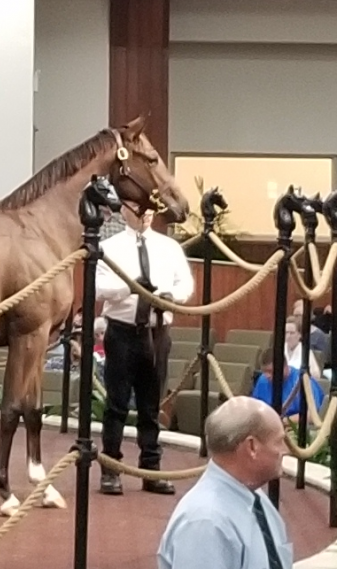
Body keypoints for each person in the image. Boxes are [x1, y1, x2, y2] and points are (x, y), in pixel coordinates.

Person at [95, 210, 196, 496]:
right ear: (125, 210)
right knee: (116, 405)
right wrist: (131, 285)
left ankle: (150, 469)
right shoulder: (110, 246)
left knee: (151, 406)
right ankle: (111, 469)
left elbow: (185, 284)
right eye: (139, 210)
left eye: (150, 210)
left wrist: (170, 297)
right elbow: (99, 286)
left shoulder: (169, 247)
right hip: (123, 331)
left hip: (158, 332)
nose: (145, 215)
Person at [157, 395, 293, 569]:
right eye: (279, 442)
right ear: (252, 447)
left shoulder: (255, 498)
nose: (285, 451)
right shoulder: (206, 523)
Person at [251, 345, 325, 420]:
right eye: (264, 371)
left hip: (296, 426)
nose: (267, 376)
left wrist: (284, 421)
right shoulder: (262, 380)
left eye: (271, 371)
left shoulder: (303, 380)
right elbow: (255, 409)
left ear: (285, 366)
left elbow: (312, 416)